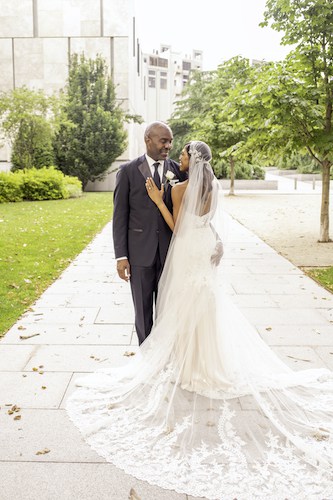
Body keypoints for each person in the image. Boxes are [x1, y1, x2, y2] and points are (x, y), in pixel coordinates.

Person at [67, 141, 333, 500]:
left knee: (183, 305)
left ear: (193, 160)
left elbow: (177, 226)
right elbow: (208, 221)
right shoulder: (214, 187)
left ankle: (188, 365)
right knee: (206, 304)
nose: (178, 157)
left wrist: (159, 200)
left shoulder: (179, 188)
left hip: (189, 248)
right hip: (207, 244)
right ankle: (207, 362)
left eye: (183, 155)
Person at [112, 121, 187, 344]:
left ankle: (164, 358)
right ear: (148, 139)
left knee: (167, 311)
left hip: (170, 254)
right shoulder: (127, 171)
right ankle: (147, 360)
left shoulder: (177, 171)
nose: (168, 146)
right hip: (139, 255)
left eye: (171, 141)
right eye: (163, 140)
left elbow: (188, 213)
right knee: (143, 314)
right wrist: (121, 256)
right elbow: (119, 216)